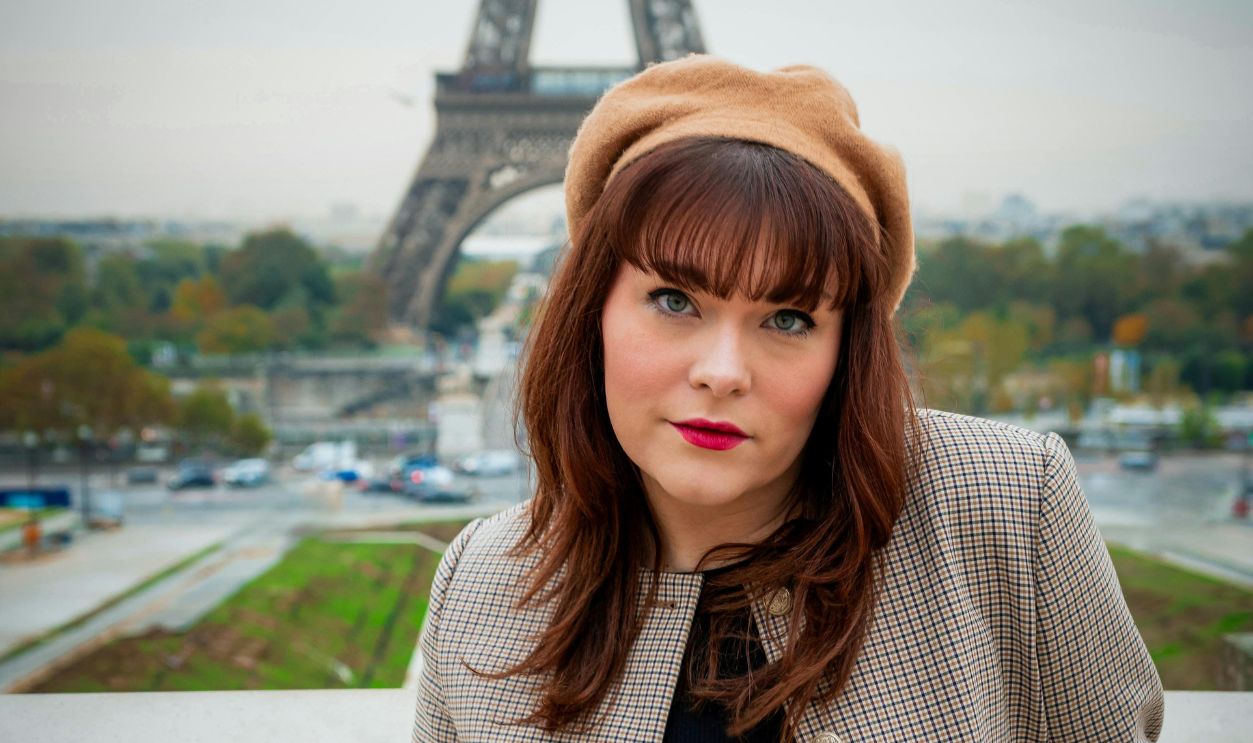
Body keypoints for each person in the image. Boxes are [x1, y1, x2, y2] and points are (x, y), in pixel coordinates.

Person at [411, 54, 1164, 742]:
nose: (723, 371)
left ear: (846, 349)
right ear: (592, 310)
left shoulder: (1004, 502)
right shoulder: (480, 576)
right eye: (674, 300)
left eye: (787, 318)